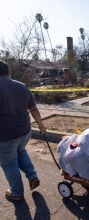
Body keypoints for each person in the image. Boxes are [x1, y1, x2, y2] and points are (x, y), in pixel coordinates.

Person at [0, 60, 46, 201]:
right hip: (25, 131)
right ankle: (32, 176)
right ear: (9, 72)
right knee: (20, 151)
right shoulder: (22, 86)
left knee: (9, 163)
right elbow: (33, 109)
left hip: (5, 136)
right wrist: (41, 126)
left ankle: (17, 192)